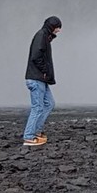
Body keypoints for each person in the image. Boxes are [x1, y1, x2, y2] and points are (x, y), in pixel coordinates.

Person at [23, 16, 62, 146]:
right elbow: (36, 56)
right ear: (52, 26)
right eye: (57, 27)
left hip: (40, 79)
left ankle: (37, 132)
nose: (58, 30)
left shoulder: (45, 36)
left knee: (49, 104)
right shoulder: (41, 36)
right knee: (38, 107)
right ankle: (29, 136)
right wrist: (45, 71)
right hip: (36, 78)